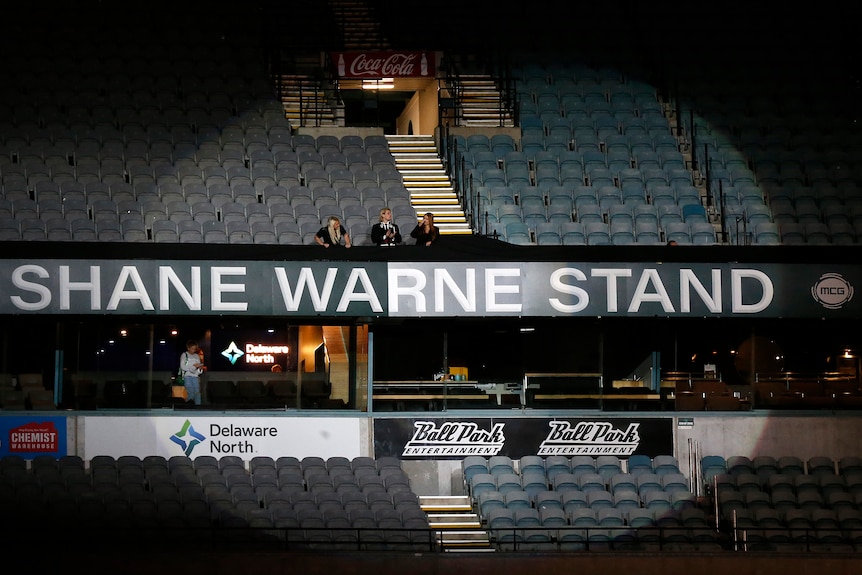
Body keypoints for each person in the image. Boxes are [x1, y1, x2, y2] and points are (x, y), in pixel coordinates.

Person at [179, 340, 206, 406]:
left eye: (195, 349)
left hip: (195, 376)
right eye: (192, 349)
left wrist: (199, 368)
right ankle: (187, 406)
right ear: (188, 348)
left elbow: (199, 367)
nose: (194, 350)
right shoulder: (184, 355)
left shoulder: (197, 356)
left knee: (197, 393)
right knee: (191, 393)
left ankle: (198, 407)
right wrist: (193, 367)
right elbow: (182, 366)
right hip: (187, 377)